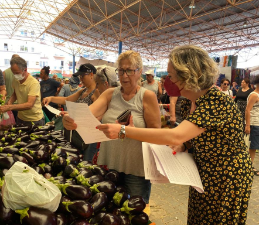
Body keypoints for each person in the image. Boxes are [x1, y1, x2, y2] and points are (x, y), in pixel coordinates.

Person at [96, 45, 253, 224]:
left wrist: (123, 130)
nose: (168, 80)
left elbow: (176, 135)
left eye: (171, 76)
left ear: (189, 74)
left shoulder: (217, 100)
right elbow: (194, 136)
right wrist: (185, 145)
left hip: (226, 177)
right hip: (202, 175)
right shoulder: (189, 102)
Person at [62, 51, 161, 205]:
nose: (124, 75)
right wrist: (72, 119)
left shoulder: (147, 96)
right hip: (109, 165)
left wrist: (129, 131)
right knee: (110, 211)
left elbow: (156, 134)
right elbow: (88, 114)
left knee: (134, 214)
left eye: (129, 70)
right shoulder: (109, 94)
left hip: (137, 169)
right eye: (121, 70)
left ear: (139, 72)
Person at [43, 63, 100, 157]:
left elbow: (96, 115)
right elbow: (67, 99)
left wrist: (72, 114)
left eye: (83, 76)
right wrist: (51, 98)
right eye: (80, 76)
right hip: (77, 133)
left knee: (86, 161)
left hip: (89, 136)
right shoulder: (83, 90)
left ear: (91, 75)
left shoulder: (96, 92)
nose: (81, 79)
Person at [0, 57, 44, 126]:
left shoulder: (33, 83)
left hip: (34, 120)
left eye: (17, 73)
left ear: (25, 70)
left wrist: (10, 107)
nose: (15, 75)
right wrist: (10, 102)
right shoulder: (16, 80)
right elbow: (15, 93)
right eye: (13, 73)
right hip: (20, 118)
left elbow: (29, 104)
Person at [245, 75, 259, 176]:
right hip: (254, 123)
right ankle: (249, 166)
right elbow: (247, 110)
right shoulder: (254, 95)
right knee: (253, 146)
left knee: (255, 146)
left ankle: (250, 166)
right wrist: (248, 125)